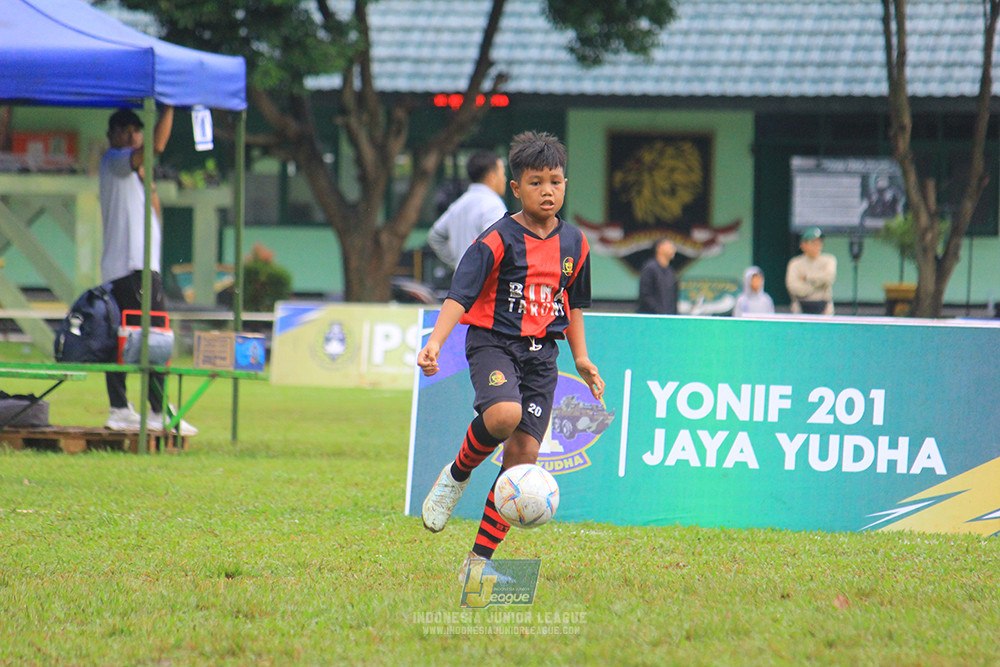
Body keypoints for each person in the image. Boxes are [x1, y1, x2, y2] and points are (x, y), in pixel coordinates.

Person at [417, 131, 605, 581]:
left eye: (555, 181)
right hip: (494, 343)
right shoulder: (497, 239)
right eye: (536, 182)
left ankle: (477, 565)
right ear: (516, 188)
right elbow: (460, 295)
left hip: (542, 357)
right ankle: (457, 474)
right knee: (503, 416)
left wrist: (581, 358)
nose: (547, 191)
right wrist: (435, 342)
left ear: (565, 184)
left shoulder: (576, 244)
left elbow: (573, 305)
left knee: (521, 462)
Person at [99, 106, 196, 435]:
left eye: (135, 130)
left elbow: (155, 215)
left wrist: (149, 182)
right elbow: (156, 147)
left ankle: (124, 407)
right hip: (132, 267)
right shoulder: (116, 160)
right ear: (112, 136)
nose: (131, 136)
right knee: (153, 336)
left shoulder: (135, 175)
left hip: (136, 267)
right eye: (124, 130)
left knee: (130, 337)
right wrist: (169, 107)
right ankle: (155, 410)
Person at [427, 150, 508, 269]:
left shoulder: (458, 204)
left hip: (462, 278)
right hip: (485, 279)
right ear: (492, 177)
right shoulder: (493, 205)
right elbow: (497, 246)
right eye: (503, 174)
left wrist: (459, 262)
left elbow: (435, 236)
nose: (505, 179)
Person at [785, 226, 837, 315]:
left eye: (819, 242)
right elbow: (794, 288)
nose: (817, 245)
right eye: (813, 242)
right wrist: (819, 286)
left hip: (824, 309)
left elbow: (828, 278)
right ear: (803, 245)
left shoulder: (829, 260)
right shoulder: (795, 263)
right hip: (801, 308)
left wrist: (806, 278)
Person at [637, 238, 679, 314]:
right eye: (670, 247)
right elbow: (645, 296)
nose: (673, 250)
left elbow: (673, 298)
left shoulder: (671, 272)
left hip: (668, 317)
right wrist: (660, 312)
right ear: (659, 248)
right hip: (651, 317)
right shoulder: (650, 268)